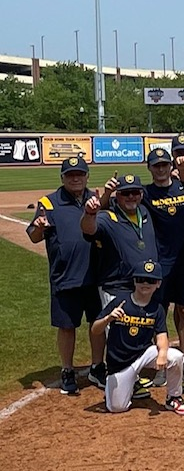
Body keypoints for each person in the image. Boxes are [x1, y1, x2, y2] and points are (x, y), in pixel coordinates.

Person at [27, 157, 105, 394]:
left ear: (87, 176)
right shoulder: (48, 203)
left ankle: (97, 366)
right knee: (67, 326)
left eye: (79, 174)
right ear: (62, 178)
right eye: (70, 174)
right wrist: (39, 226)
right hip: (65, 275)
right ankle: (67, 369)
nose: (75, 178)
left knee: (97, 324)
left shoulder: (97, 200)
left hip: (95, 275)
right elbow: (33, 235)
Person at [91, 260, 184, 416]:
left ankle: (174, 397)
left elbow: (161, 336)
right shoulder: (120, 302)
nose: (145, 283)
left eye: (150, 280)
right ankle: (128, 386)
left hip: (143, 354)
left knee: (175, 356)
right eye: (141, 279)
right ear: (134, 281)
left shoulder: (156, 308)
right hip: (119, 363)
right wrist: (108, 319)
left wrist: (163, 354)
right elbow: (95, 330)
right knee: (117, 408)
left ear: (158, 283)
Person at [141, 147, 184, 388]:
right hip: (159, 262)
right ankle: (161, 363)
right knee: (159, 312)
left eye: (165, 164)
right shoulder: (144, 193)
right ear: (150, 168)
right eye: (156, 165)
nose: (161, 169)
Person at [81, 175, 160, 307]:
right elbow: (88, 229)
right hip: (117, 288)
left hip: (144, 285)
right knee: (117, 327)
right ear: (117, 196)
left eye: (134, 192)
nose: (130, 196)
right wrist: (90, 213)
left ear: (141, 194)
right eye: (125, 193)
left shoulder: (145, 212)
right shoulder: (108, 217)